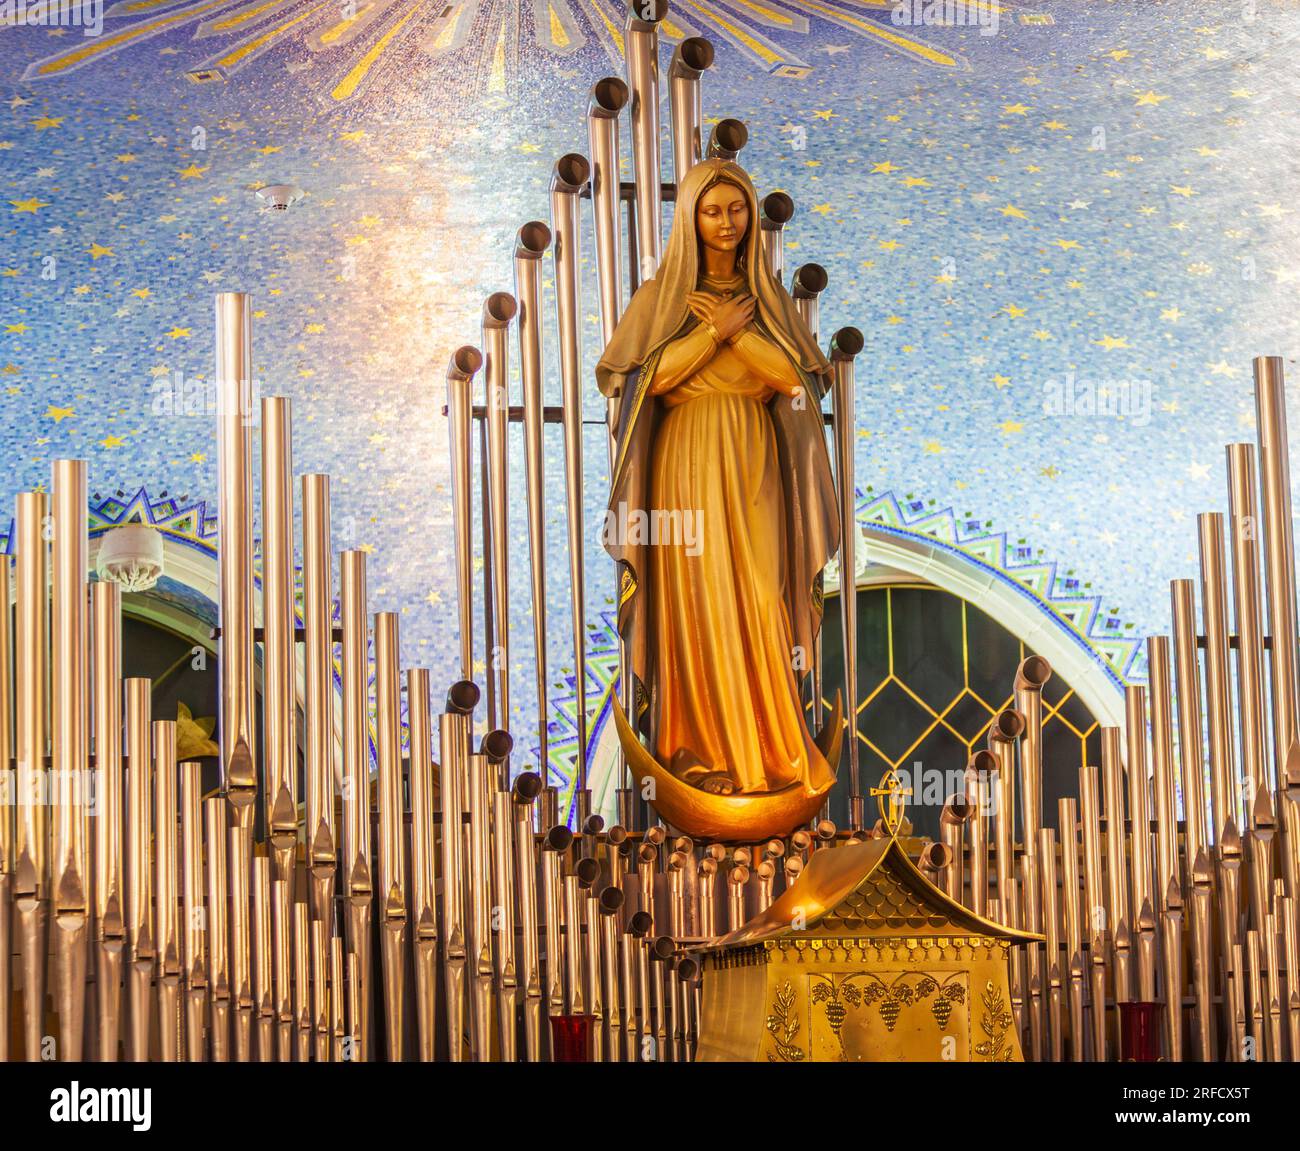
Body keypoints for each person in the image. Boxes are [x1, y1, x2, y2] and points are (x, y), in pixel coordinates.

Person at [597, 158, 840, 798]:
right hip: (683, 462)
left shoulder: (770, 301)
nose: (727, 223)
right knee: (694, 602)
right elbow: (647, 382)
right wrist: (711, 332)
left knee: (762, 592)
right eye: (712, 210)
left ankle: (778, 754)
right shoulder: (658, 299)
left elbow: (794, 381)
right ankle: (699, 754)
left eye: (737, 210)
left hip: (755, 453)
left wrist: (737, 331)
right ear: (690, 217)